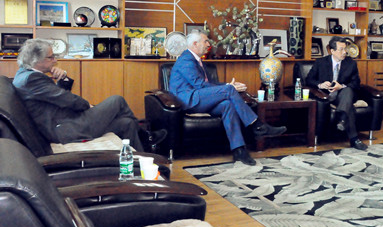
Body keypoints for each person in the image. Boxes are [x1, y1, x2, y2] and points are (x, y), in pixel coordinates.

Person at [13, 39, 165, 152]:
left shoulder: (25, 75)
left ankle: (142, 160)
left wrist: (62, 79)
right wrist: (88, 106)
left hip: (65, 123)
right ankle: (147, 137)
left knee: (127, 123)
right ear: (36, 60)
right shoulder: (31, 79)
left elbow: (57, 98)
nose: (55, 60)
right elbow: (68, 100)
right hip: (65, 129)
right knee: (117, 100)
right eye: (51, 57)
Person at [169, 31, 286, 165]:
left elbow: (209, 84)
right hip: (189, 100)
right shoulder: (186, 59)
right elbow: (199, 85)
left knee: (227, 105)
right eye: (205, 41)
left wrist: (227, 85)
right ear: (195, 44)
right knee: (229, 90)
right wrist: (229, 88)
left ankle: (239, 151)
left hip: (199, 98)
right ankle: (257, 125)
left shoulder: (197, 60)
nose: (208, 44)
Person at [305, 36, 368, 150]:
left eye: (345, 49)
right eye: (341, 49)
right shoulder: (320, 62)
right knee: (348, 107)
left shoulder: (351, 63)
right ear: (332, 51)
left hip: (344, 95)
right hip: (326, 95)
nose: (344, 52)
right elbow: (309, 80)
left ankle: (342, 120)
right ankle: (353, 138)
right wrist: (320, 85)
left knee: (347, 91)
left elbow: (356, 83)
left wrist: (341, 86)